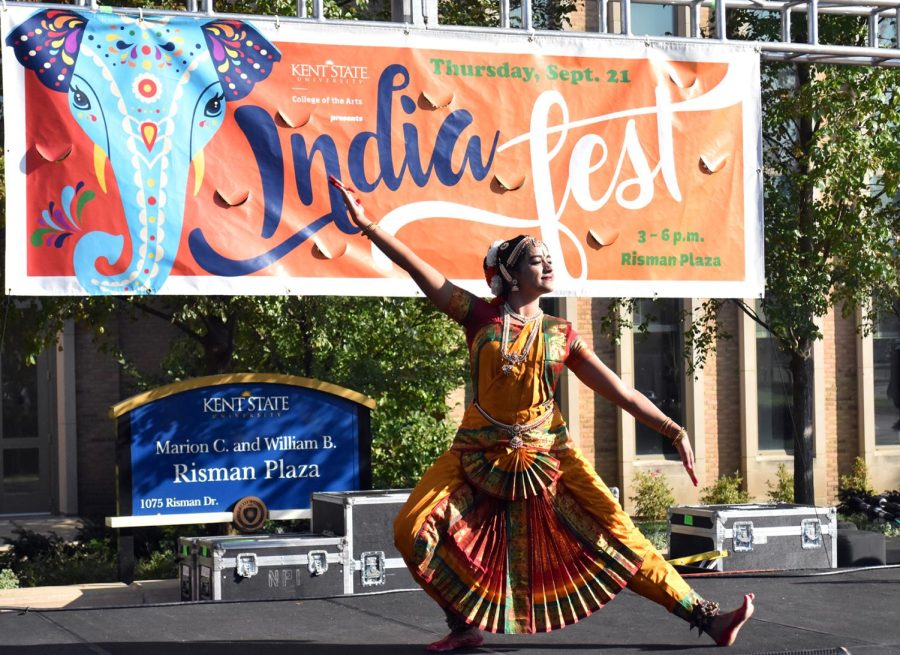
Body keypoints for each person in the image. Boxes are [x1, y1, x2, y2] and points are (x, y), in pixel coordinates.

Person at [330, 177, 755, 651]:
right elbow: (419, 268)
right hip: (476, 451)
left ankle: (707, 618)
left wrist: (673, 430)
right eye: (537, 258)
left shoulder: (561, 333)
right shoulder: (477, 316)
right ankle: (462, 624)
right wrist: (367, 224)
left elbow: (619, 391)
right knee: (409, 528)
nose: (548, 263)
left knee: (621, 535)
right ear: (511, 275)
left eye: (549, 257)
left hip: (548, 453)